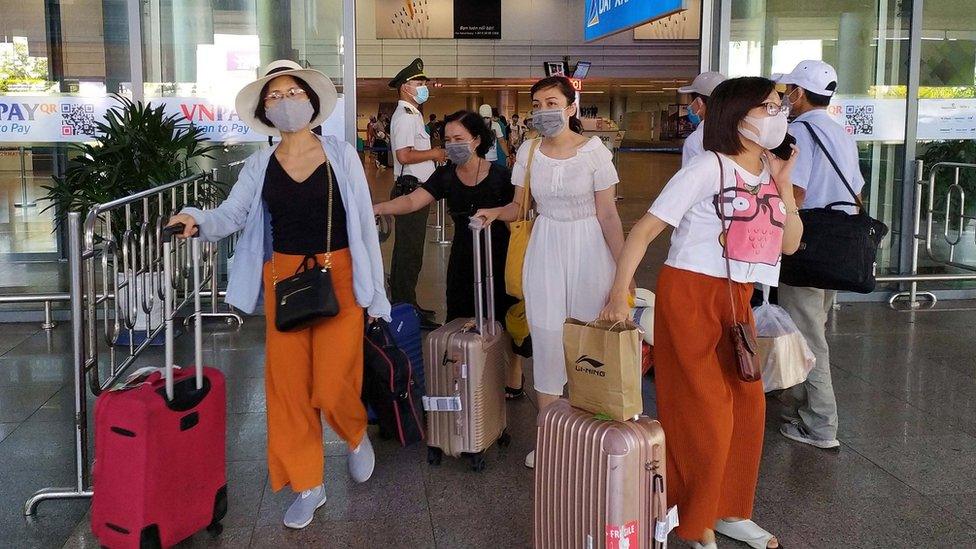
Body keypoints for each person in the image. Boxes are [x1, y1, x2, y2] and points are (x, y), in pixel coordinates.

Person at [166, 60, 390, 530]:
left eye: (293, 93)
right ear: (265, 110)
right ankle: (308, 484)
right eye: (275, 96)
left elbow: (366, 228)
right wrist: (197, 219)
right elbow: (231, 215)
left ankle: (352, 433)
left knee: (332, 382)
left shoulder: (342, 155)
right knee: (287, 390)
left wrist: (378, 295)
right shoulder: (259, 164)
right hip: (283, 280)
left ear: (311, 101)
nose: (285, 103)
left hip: (341, 273)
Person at [599, 77, 802, 549]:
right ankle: (695, 519)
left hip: (738, 299)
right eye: (769, 107)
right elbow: (644, 231)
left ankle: (730, 509)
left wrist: (784, 184)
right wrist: (618, 294)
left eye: (779, 107)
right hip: (690, 294)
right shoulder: (706, 168)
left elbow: (789, 243)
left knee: (749, 408)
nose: (778, 114)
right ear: (739, 115)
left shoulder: (768, 174)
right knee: (704, 412)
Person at [475, 75, 626, 469]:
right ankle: (552, 438)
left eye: (552, 103)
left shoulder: (595, 152)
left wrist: (623, 273)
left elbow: (608, 213)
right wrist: (495, 212)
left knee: (589, 339)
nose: (544, 111)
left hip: (591, 247)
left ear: (572, 107)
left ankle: (592, 434)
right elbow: (520, 205)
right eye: (538, 104)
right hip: (545, 245)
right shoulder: (528, 151)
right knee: (544, 334)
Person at [373, 110, 527, 397]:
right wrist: (380, 207)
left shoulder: (500, 176)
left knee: (505, 316)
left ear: (477, 139)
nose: (453, 144)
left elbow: (518, 210)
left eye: (459, 138)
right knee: (460, 314)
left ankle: (513, 375)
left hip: (499, 254)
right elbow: (413, 201)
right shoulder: (445, 175)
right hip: (463, 255)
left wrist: (495, 214)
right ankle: (468, 373)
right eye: (447, 139)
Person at [775, 60, 859, 450]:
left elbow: (797, 192)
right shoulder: (841, 133)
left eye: (789, 89)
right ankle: (802, 407)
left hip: (807, 243)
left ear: (800, 93)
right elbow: (857, 194)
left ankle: (821, 424)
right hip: (836, 247)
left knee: (809, 336)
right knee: (814, 328)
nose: (785, 97)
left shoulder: (800, 132)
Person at [388, 58, 446, 329]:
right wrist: (435, 152)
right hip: (410, 190)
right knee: (408, 253)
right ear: (404, 88)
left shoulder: (414, 114)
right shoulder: (404, 116)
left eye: (424, 82)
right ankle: (404, 308)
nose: (424, 86)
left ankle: (407, 303)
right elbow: (403, 155)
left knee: (410, 253)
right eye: (418, 82)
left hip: (417, 191)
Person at [678, 71, 727, 168]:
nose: (690, 106)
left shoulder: (696, 139)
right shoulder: (739, 132)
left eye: (691, 101)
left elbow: (691, 179)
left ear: (699, 102)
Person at [479, 103, 510, 168]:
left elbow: (501, 141)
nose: (485, 120)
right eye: (483, 118)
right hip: (480, 158)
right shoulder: (476, 126)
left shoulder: (495, 125)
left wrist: (507, 156)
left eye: (487, 118)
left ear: (490, 117)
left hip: (493, 158)